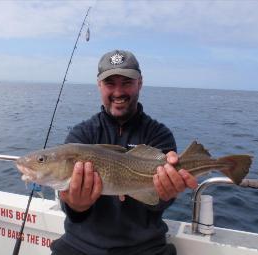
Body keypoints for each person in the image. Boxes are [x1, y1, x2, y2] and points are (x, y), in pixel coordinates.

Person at [50, 49, 198, 255]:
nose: (118, 92)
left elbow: (157, 203)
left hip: (144, 249)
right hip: (81, 247)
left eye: (127, 82)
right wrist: (76, 206)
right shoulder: (81, 135)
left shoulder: (159, 134)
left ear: (140, 83)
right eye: (110, 83)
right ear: (99, 85)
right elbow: (72, 211)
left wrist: (166, 194)